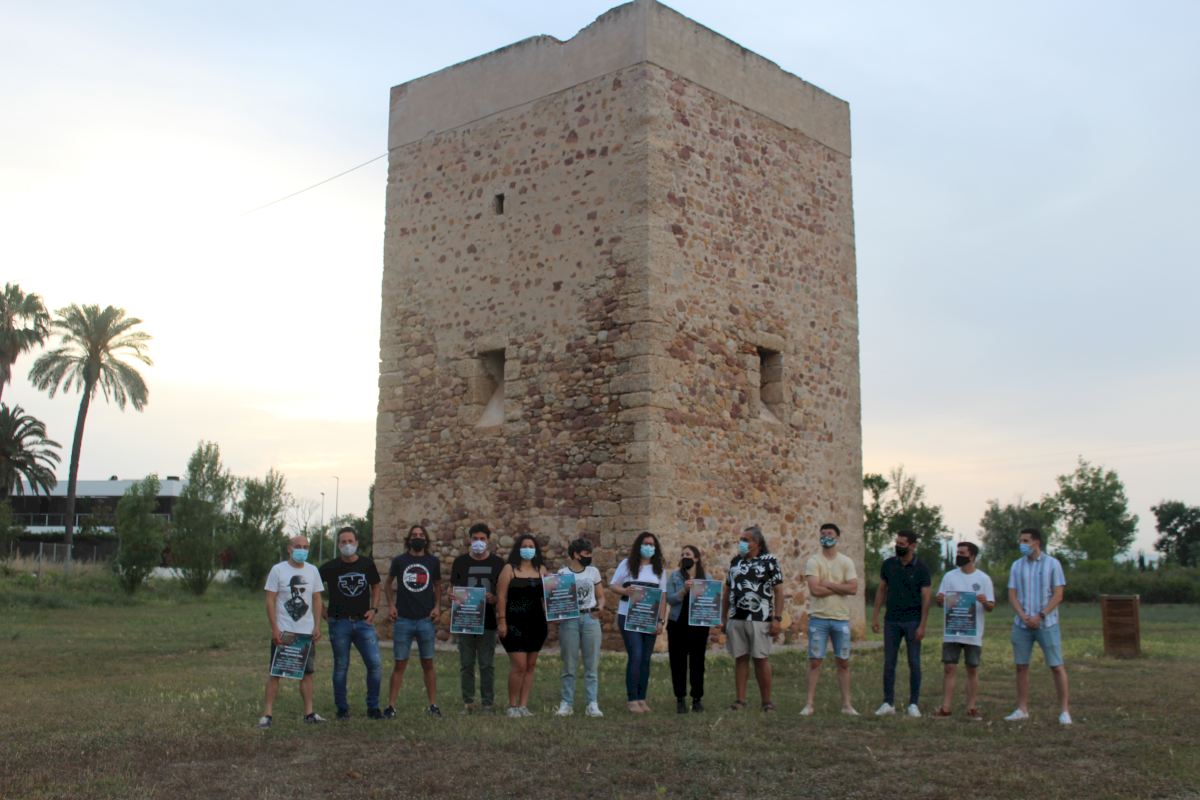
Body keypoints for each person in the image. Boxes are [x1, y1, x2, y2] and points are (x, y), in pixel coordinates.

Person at [1006, 527, 1071, 725]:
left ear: (1036, 542)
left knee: (1056, 666)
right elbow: (1012, 595)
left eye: (1026, 541)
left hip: (1047, 623)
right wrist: (1023, 616)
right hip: (1022, 624)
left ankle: (1064, 711)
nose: (1022, 544)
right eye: (1021, 541)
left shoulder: (1053, 564)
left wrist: (1041, 615)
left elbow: (1058, 595)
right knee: (1021, 666)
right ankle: (1022, 709)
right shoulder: (1017, 566)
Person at [258, 535, 325, 727]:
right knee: (275, 673)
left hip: (306, 632)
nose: (302, 550)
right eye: (298, 546)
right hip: (284, 632)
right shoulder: (278, 570)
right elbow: (270, 600)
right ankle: (267, 714)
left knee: (307, 673)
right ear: (289, 548)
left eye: (305, 547)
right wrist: (275, 628)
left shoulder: (313, 570)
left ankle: (309, 713)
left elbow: (317, 599)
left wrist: (317, 626)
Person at [319, 526, 383, 720]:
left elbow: (376, 586)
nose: (347, 545)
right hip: (339, 624)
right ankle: (342, 709)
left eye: (350, 541)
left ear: (356, 543)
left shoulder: (367, 564)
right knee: (341, 667)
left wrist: (374, 609)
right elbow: (314, 589)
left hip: (363, 623)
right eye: (343, 542)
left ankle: (373, 707)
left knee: (375, 664)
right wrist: (322, 610)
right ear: (338, 545)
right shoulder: (329, 567)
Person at [720, 527, 784, 713]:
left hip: (760, 618)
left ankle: (767, 702)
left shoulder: (770, 561)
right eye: (741, 539)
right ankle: (740, 700)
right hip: (736, 618)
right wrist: (723, 616)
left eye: (745, 540)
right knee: (740, 658)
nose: (741, 543)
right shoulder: (735, 561)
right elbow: (727, 590)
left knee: (761, 659)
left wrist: (777, 618)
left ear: (757, 543)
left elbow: (779, 591)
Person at [871, 529, 932, 718]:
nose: (898, 547)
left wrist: (922, 625)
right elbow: (882, 590)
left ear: (912, 546)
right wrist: (875, 616)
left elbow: (926, 597)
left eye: (902, 544)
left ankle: (913, 704)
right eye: (897, 543)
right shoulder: (888, 565)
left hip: (913, 620)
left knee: (914, 662)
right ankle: (888, 702)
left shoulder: (921, 568)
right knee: (889, 662)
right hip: (892, 620)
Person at [384, 524, 442, 718]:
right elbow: (387, 584)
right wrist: (391, 605)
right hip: (403, 620)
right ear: (408, 539)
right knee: (399, 664)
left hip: (426, 620)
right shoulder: (400, 561)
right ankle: (391, 706)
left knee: (428, 663)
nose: (418, 537)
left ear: (426, 539)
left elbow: (438, 585)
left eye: (421, 535)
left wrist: (437, 607)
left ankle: (433, 705)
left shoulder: (433, 561)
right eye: (414, 535)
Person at [934, 541, 995, 720]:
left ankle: (972, 707)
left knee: (972, 669)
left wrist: (985, 602)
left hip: (972, 632)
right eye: (958, 552)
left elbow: (991, 606)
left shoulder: (983, 579)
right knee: (949, 667)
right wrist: (939, 600)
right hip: (953, 630)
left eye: (962, 553)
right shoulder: (949, 576)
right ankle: (946, 707)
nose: (958, 556)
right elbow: (940, 601)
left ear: (972, 556)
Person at [802, 522, 859, 716]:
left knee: (843, 662)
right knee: (815, 662)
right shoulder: (813, 561)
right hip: (818, 618)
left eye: (830, 533)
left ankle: (847, 705)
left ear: (837, 537)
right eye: (823, 533)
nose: (826, 536)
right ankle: (809, 704)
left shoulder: (846, 562)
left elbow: (853, 588)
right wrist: (840, 587)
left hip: (841, 619)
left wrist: (828, 584)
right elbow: (815, 590)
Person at [609, 531, 668, 714]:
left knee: (646, 658)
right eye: (645, 544)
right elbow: (613, 585)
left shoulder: (659, 570)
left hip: (650, 618)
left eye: (652, 544)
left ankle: (642, 698)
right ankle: (632, 699)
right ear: (639, 545)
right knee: (636, 654)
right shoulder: (627, 565)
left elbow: (662, 596)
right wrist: (625, 591)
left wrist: (660, 621)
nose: (648, 547)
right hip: (628, 616)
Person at [449, 522, 505, 714]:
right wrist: (452, 596)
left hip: (487, 621)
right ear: (469, 540)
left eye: (482, 539)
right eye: (475, 539)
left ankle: (487, 703)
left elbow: (502, 594)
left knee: (487, 664)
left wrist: (494, 598)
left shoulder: (498, 563)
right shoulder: (460, 562)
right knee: (466, 664)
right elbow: (452, 588)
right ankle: (468, 703)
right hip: (465, 620)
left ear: (488, 541)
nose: (478, 542)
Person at [497, 533, 549, 717]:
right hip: (513, 624)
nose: (528, 549)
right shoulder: (509, 569)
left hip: (537, 623)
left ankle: (523, 705)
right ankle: (512, 705)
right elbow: (501, 596)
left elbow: (550, 595)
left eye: (531, 546)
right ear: (518, 549)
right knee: (519, 665)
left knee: (530, 665)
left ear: (536, 550)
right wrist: (502, 621)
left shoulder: (541, 569)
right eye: (524, 546)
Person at [555, 537, 606, 718]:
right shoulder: (562, 573)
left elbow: (600, 596)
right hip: (569, 620)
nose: (589, 556)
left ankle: (592, 703)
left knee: (591, 663)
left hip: (590, 618)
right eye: (586, 553)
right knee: (569, 663)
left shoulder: (593, 572)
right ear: (576, 554)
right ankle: (566, 703)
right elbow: (557, 598)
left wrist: (600, 607)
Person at [666, 545, 711, 713]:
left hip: (699, 627)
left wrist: (714, 618)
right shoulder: (675, 576)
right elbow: (670, 599)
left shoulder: (706, 578)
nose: (685, 556)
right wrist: (683, 590)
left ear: (696, 558)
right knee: (678, 663)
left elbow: (712, 600)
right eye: (682, 554)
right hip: (678, 624)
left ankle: (697, 699)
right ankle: (680, 699)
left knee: (697, 663)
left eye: (688, 554)